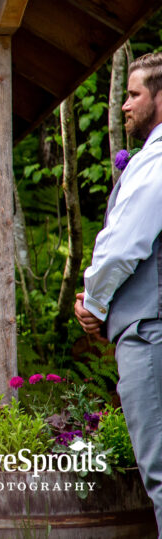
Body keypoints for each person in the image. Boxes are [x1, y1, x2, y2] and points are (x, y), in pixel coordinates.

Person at [74, 52, 162, 535]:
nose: (125, 105)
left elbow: (125, 243)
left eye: (134, 94)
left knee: (161, 470)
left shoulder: (156, 161)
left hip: (151, 329)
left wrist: (95, 301)